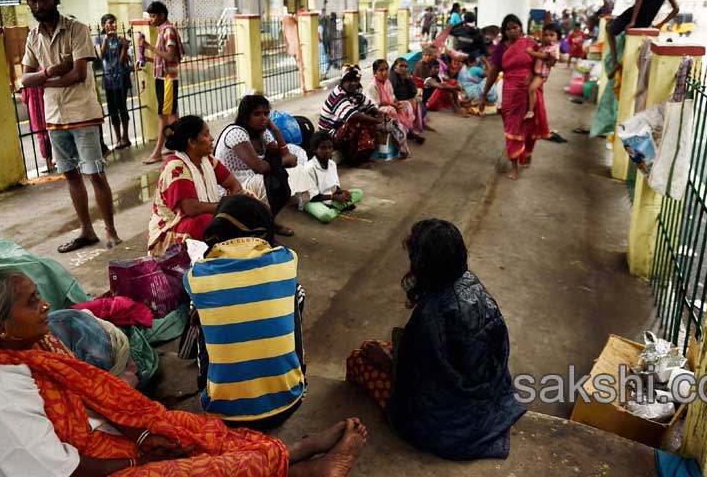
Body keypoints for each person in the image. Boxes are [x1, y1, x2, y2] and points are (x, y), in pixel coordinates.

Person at [0, 268, 368, 477]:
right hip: (77, 473)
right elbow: (59, 470)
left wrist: (144, 434)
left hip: (95, 444)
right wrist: (139, 455)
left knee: (191, 432)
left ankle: (289, 455)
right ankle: (302, 467)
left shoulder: (25, 349)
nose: (46, 306)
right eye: (32, 302)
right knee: (196, 470)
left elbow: (91, 404)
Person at [345, 219, 525, 460]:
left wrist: (387, 361)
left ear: (424, 264)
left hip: (449, 425)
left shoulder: (431, 316)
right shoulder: (474, 285)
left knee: (358, 358)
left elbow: (417, 382)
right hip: (490, 398)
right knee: (379, 347)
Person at [188, 196, 308, 428]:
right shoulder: (287, 260)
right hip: (288, 403)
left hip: (222, 414)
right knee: (295, 292)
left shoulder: (196, 275)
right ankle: (293, 374)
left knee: (198, 309)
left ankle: (212, 384)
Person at [20, 0, 120, 253]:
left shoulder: (77, 29)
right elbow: (24, 78)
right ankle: (87, 231)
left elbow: (78, 74)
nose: (39, 5)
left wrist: (41, 80)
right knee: (71, 175)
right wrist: (51, 71)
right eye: (33, 0)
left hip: (83, 113)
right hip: (54, 116)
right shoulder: (33, 36)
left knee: (96, 174)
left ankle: (110, 230)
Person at [147, 115, 245, 257]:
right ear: (192, 142)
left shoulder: (207, 160)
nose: (211, 138)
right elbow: (192, 208)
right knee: (208, 222)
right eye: (206, 135)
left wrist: (233, 203)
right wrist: (227, 206)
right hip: (169, 230)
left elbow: (234, 185)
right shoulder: (176, 167)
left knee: (248, 196)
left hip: (199, 216)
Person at [214, 94, 307, 237]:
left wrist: (275, 130)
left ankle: (269, 222)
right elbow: (260, 167)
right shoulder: (236, 133)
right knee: (270, 182)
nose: (263, 117)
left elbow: (284, 156)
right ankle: (264, 232)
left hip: (252, 179)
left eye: (266, 113)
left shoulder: (262, 132)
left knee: (289, 176)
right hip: (232, 185)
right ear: (246, 116)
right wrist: (283, 161)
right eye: (257, 114)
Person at [480, 14, 551, 180]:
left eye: (515, 27)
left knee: (530, 126)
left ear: (521, 27)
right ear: (504, 31)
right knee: (512, 129)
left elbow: (543, 66)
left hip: (529, 91)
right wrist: (484, 94)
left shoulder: (531, 44)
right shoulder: (501, 48)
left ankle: (526, 152)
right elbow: (493, 72)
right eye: (508, 29)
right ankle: (513, 165)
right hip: (511, 93)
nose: (512, 31)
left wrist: (535, 79)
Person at [606, 0, 679, 81]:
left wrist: (632, 21)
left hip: (631, 16)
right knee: (628, 42)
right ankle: (619, 62)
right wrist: (660, 24)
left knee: (609, 28)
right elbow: (676, 8)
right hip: (646, 22)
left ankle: (615, 62)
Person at [318, 66, 409, 164]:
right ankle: (354, 158)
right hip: (329, 133)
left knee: (370, 118)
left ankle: (362, 154)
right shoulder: (338, 95)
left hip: (341, 127)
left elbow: (368, 104)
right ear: (343, 81)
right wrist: (376, 120)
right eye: (349, 80)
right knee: (358, 121)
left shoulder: (356, 92)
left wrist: (380, 114)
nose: (353, 83)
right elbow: (353, 115)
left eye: (355, 80)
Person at [140, 1, 183, 164]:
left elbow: (171, 56)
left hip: (167, 79)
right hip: (165, 77)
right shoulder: (162, 31)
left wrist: (149, 46)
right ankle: (175, 145)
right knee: (171, 114)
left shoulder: (168, 31)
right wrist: (146, 58)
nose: (150, 19)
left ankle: (157, 151)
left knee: (163, 115)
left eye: (152, 16)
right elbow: (163, 57)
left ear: (161, 15)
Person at [299, 131, 364, 223]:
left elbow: (335, 186)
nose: (328, 151)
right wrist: (334, 197)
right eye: (323, 148)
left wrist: (341, 192)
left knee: (359, 192)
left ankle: (335, 207)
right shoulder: (309, 168)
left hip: (330, 197)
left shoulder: (332, 164)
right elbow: (313, 197)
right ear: (315, 150)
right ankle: (336, 209)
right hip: (312, 201)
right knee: (325, 216)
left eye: (330, 147)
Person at [95, 14, 132, 150]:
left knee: (123, 108)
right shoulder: (99, 38)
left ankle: (125, 137)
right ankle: (118, 139)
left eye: (114, 23)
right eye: (110, 23)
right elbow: (102, 56)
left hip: (121, 77)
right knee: (112, 109)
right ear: (104, 25)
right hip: (109, 78)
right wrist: (106, 39)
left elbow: (122, 61)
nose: (113, 26)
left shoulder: (121, 39)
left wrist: (123, 47)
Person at [367, 59, 420, 143]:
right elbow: (376, 104)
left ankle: (407, 129)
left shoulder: (387, 82)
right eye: (381, 70)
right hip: (377, 110)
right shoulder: (373, 86)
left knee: (406, 104)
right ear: (375, 72)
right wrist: (393, 105)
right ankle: (397, 134)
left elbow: (392, 96)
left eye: (386, 69)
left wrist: (396, 102)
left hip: (390, 105)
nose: (384, 72)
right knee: (391, 110)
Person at [524, 23, 560, 122]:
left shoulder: (554, 47)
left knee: (531, 89)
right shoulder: (543, 46)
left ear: (557, 37)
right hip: (536, 71)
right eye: (545, 35)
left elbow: (546, 56)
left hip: (541, 74)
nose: (548, 37)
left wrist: (532, 52)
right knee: (528, 88)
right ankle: (530, 109)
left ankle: (530, 111)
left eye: (551, 35)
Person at [389, 56, 425, 137]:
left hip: (405, 99)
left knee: (417, 100)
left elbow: (413, 92)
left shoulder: (405, 76)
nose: (404, 68)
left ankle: (414, 126)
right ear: (395, 67)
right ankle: (411, 128)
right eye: (401, 66)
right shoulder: (392, 77)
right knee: (413, 102)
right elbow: (394, 94)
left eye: (405, 66)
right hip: (395, 102)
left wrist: (408, 79)